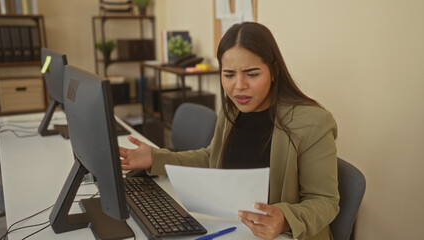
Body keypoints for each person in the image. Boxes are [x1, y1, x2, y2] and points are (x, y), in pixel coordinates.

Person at [120, 22, 339, 240]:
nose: (239, 85)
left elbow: (325, 201)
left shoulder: (314, 122)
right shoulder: (233, 110)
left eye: (252, 74)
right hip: (234, 229)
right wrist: (155, 158)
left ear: (274, 72)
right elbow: (212, 157)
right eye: (229, 74)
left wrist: (285, 219)